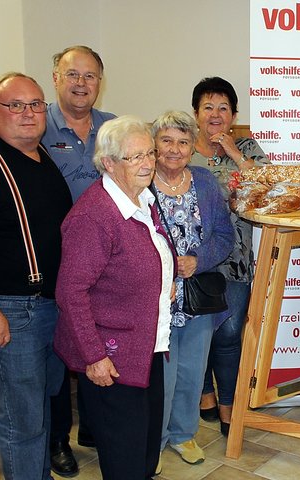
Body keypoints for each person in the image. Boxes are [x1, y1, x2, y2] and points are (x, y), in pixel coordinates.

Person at [0, 45, 115, 477]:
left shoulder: (41, 159)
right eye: (15, 105)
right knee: (23, 423)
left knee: (44, 403)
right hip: (12, 311)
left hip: (51, 305)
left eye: (34, 104)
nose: (28, 112)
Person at [53, 116, 175, 480]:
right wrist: (94, 356)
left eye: (150, 153)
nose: (148, 163)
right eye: (134, 157)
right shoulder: (95, 216)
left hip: (146, 345)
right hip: (112, 356)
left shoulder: (142, 200)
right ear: (108, 163)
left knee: (146, 448)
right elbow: (70, 291)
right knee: (125, 459)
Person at [151, 111, 234, 468]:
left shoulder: (204, 181)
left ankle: (184, 435)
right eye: (167, 140)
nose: (175, 149)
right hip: (156, 299)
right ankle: (152, 442)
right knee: (160, 377)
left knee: (191, 371)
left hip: (198, 296)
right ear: (153, 146)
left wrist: (197, 261)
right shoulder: (140, 182)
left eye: (183, 142)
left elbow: (225, 236)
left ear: (191, 148)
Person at [189, 76, 267, 435]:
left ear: (234, 115)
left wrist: (233, 151)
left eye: (224, 108)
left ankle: (229, 403)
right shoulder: (181, 148)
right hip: (189, 258)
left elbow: (267, 187)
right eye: (208, 107)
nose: (216, 114)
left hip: (235, 257)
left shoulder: (248, 148)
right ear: (196, 113)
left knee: (229, 331)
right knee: (194, 326)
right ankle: (204, 393)